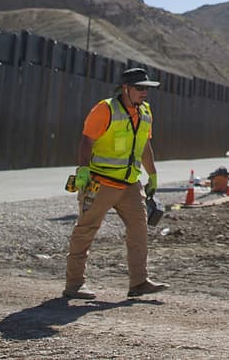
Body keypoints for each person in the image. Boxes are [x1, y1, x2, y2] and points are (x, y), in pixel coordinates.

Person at [63, 66, 168, 300]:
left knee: (139, 230)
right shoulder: (105, 109)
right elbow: (86, 141)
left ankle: (139, 282)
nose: (144, 93)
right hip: (101, 182)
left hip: (130, 184)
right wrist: (82, 170)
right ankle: (74, 285)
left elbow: (144, 146)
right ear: (125, 89)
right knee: (86, 229)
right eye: (140, 88)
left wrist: (152, 175)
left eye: (147, 89)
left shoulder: (146, 112)